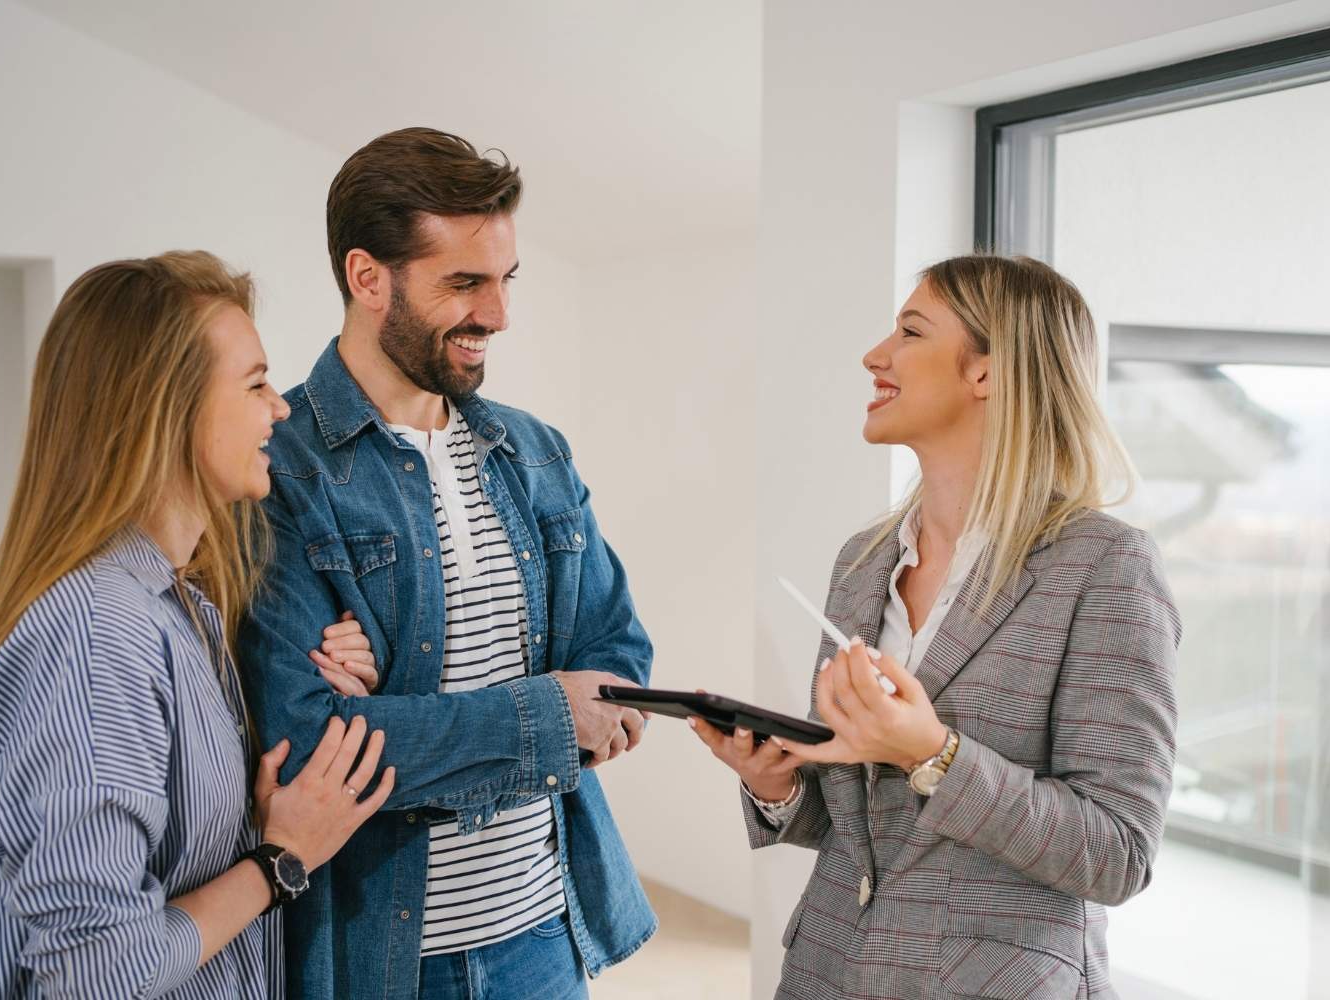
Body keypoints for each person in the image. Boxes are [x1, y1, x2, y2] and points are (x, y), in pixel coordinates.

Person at [692, 255, 1181, 999]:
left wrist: (935, 754)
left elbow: (1116, 854)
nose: (874, 356)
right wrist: (778, 787)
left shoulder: (1106, 568)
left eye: (909, 332)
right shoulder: (862, 561)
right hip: (828, 971)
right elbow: (861, 824)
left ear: (986, 371)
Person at [238, 127, 655, 1000]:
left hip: (545, 931)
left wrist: (398, 717)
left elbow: (617, 653)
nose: (497, 315)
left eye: (504, 280)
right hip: (383, 959)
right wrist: (548, 716)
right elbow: (310, 745)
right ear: (367, 277)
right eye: (463, 283)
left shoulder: (534, 452)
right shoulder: (281, 467)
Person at [0, 252, 393, 998]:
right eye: (253, 384)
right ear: (167, 408)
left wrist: (258, 806)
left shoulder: (181, 605)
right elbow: (98, 972)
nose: (278, 408)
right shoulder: (96, 638)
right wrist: (280, 859)